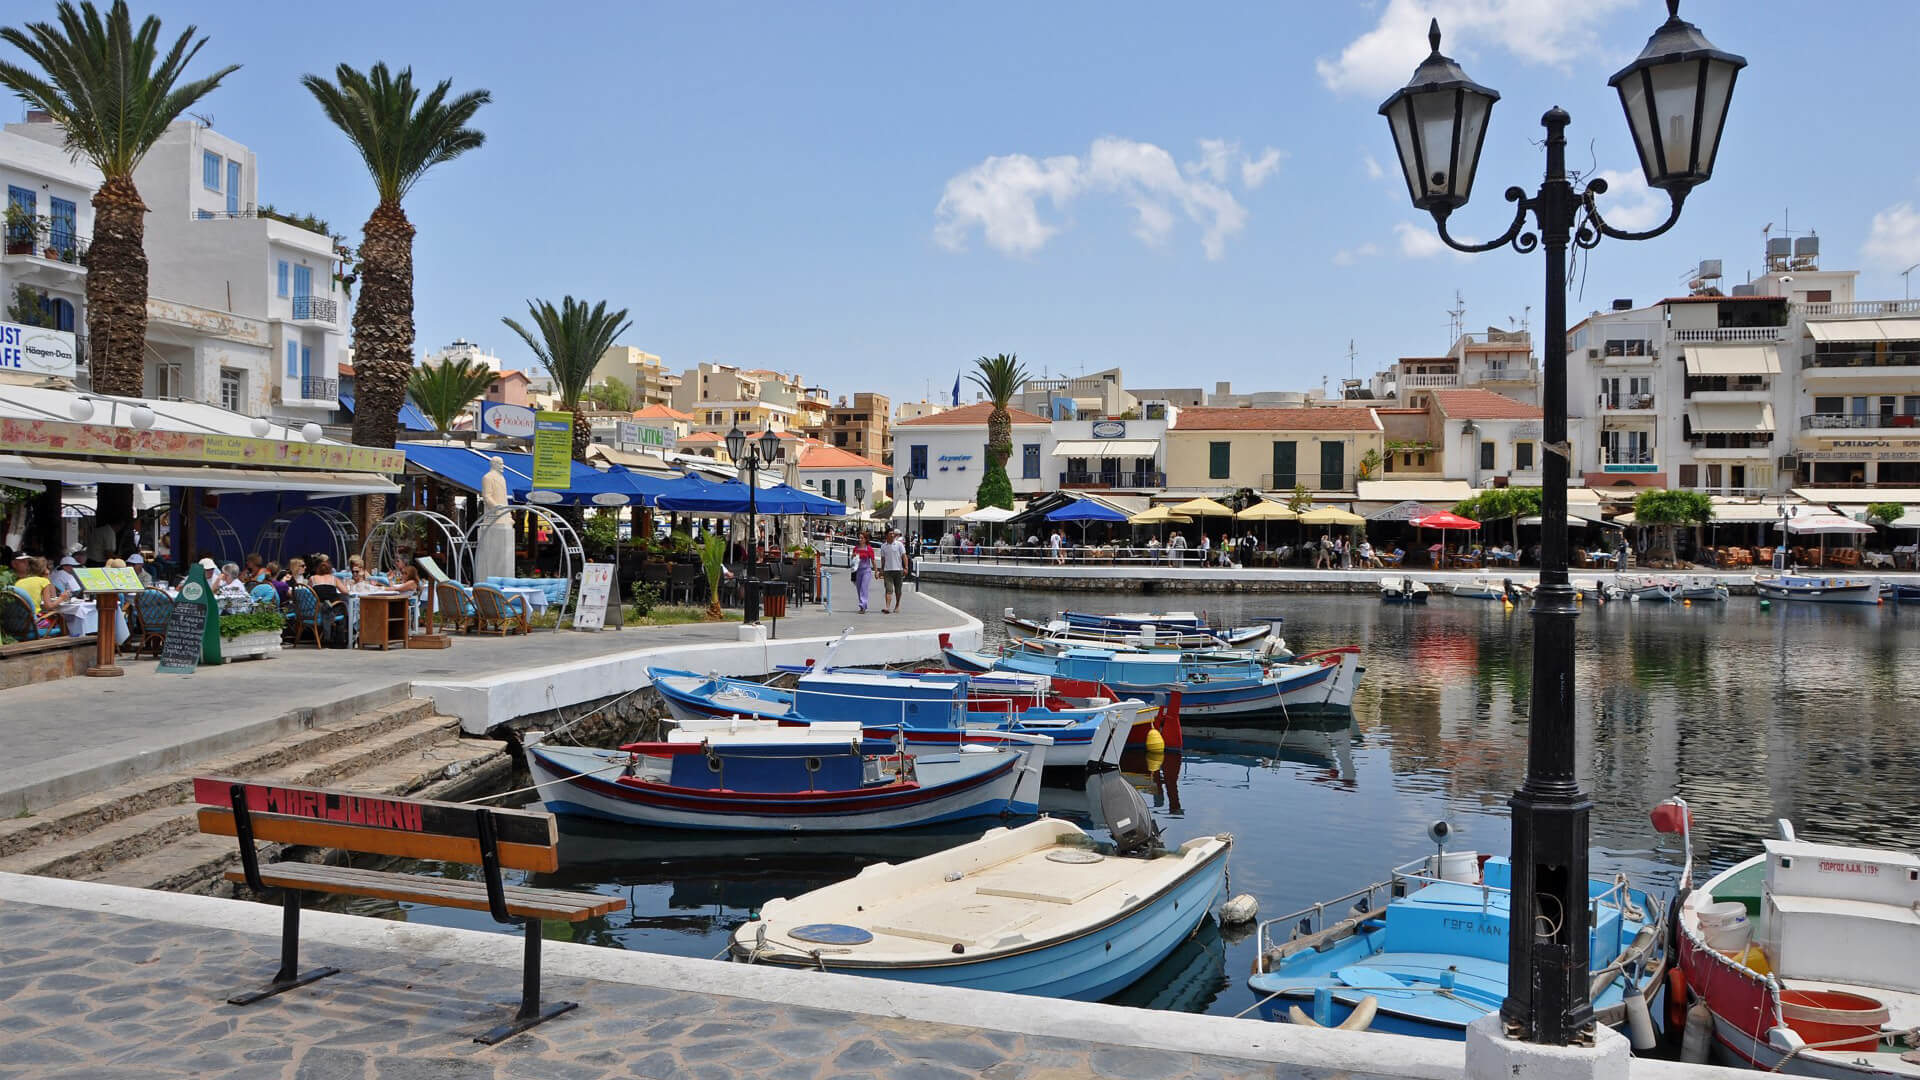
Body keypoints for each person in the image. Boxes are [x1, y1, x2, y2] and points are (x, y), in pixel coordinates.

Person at [879, 530, 907, 614]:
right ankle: (887, 607)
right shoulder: (883, 546)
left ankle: (897, 605)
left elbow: (904, 556)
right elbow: (883, 559)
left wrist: (906, 567)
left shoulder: (899, 544)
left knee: (898, 590)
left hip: (898, 570)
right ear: (886, 535)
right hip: (887, 571)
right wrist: (882, 570)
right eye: (890, 534)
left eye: (893, 533)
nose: (892, 535)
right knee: (888, 589)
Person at [851, 533, 876, 614]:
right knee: (858, 588)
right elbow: (852, 559)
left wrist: (876, 571)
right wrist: (853, 556)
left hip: (866, 570)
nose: (860, 539)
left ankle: (862, 605)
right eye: (859, 538)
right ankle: (863, 605)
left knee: (863, 588)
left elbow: (873, 560)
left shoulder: (869, 549)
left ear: (865, 539)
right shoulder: (856, 548)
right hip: (858, 570)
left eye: (862, 538)